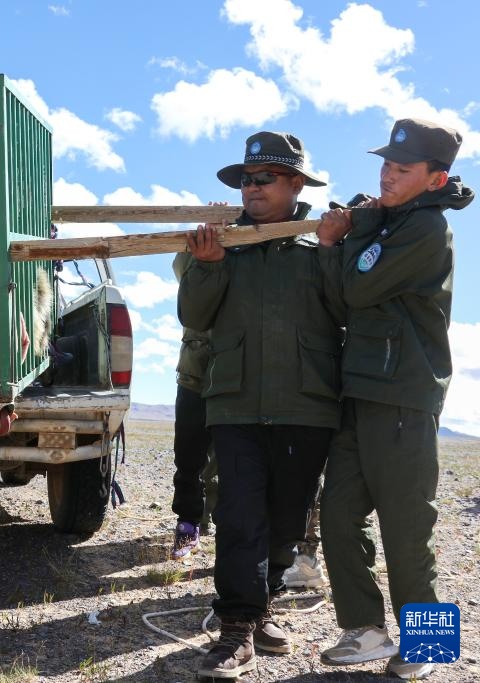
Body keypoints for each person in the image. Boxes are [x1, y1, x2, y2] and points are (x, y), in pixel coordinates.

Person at [178, 132, 345, 679]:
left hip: (305, 404)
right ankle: (235, 630)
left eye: (263, 178)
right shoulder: (222, 243)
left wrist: (328, 252)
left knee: (286, 519)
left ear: (296, 184)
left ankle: (265, 605)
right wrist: (207, 265)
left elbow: (344, 308)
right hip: (235, 403)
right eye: (245, 180)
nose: (251, 187)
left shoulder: (322, 243)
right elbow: (195, 319)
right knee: (239, 513)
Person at [316, 119, 472, 680]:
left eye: (402, 169)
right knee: (337, 516)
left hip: (404, 396)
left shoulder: (426, 230)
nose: (387, 174)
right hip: (359, 390)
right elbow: (341, 301)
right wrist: (348, 238)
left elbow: (357, 287)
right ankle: (365, 631)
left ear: (435, 179)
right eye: (385, 163)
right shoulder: (387, 223)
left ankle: (429, 649)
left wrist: (343, 237)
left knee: (408, 528)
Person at [169, 251, 217, 560]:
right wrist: (201, 247)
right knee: (188, 457)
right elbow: (181, 268)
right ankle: (188, 526)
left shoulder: (250, 251)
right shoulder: (195, 254)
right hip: (194, 373)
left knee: (235, 460)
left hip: (239, 378)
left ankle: (228, 529)